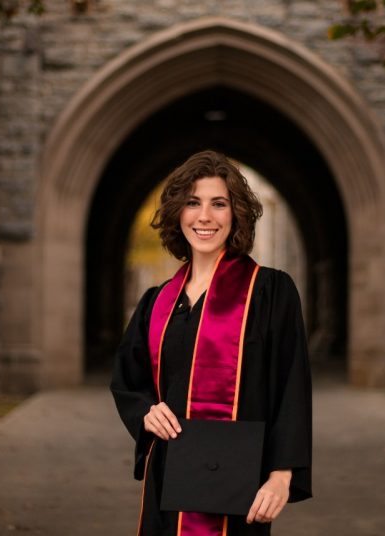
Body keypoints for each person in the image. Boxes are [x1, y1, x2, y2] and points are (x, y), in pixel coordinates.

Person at [110, 150, 313, 536]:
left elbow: (292, 387)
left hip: (239, 484)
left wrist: (281, 476)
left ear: (235, 213)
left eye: (218, 204)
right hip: (169, 477)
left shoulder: (270, 292)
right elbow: (127, 379)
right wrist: (145, 413)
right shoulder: (157, 303)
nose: (204, 216)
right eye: (192, 203)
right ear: (178, 213)